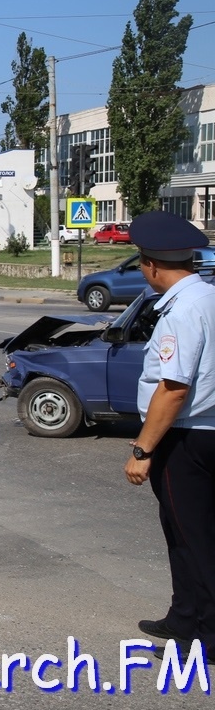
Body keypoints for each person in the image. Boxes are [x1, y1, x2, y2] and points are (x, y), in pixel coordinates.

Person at [123, 210, 215, 663]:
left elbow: (173, 388)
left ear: (153, 266)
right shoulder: (208, 297)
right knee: (181, 531)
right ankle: (183, 616)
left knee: (195, 538)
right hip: (205, 432)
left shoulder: (183, 310)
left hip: (186, 438)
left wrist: (143, 449)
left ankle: (206, 639)